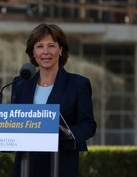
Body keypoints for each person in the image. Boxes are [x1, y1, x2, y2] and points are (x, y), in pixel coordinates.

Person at [11, 23, 96, 177]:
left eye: (51, 46)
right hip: (25, 166)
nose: (45, 52)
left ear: (61, 49)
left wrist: (67, 132)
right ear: (33, 52)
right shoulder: (20, 84)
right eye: (39, 46)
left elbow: (88, 125)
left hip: (60, 165)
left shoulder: (78, 84)